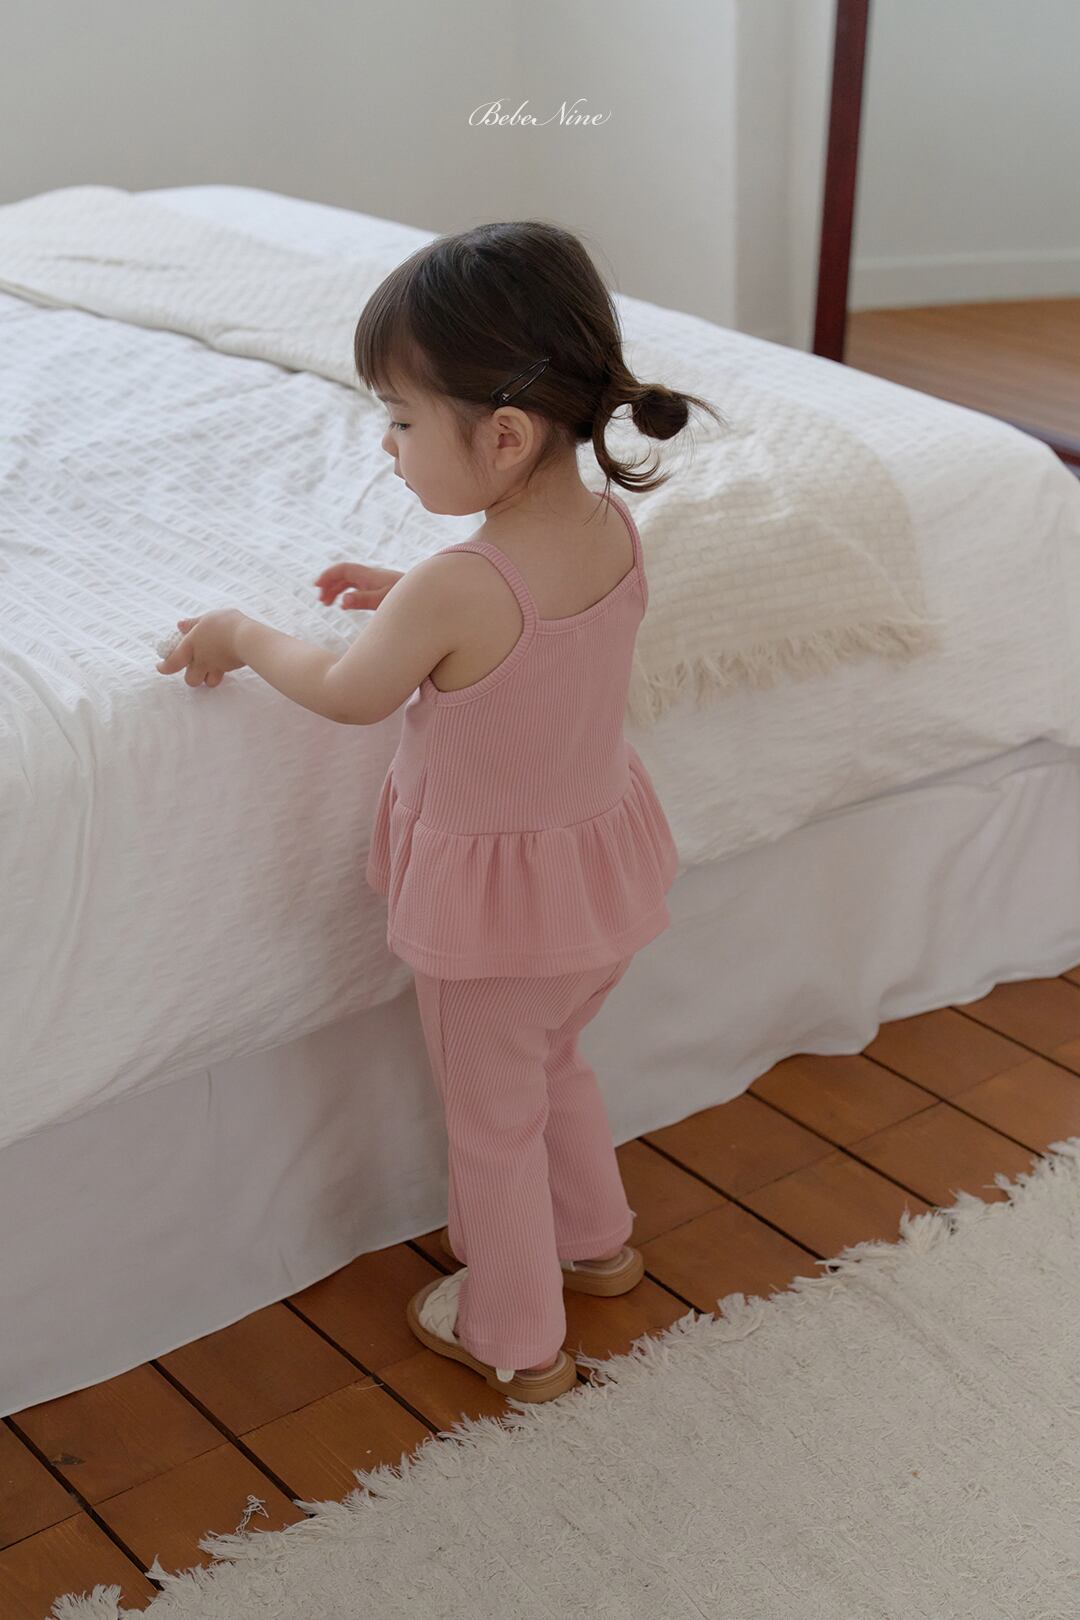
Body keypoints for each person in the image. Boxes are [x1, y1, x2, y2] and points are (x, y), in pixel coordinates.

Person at [155, 218, 724, 1405]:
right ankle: (598, 1244)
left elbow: (352, 693)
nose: (388, 444)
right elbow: (508, 630)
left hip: (496, 930)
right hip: (600, 883)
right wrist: (407, 596)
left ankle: (515, 1334)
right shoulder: (607, 528)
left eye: (403, 422)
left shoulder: (462, 586)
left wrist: (242, 634)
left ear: (505, 436)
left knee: (491, 1125)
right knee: (557, 1064)